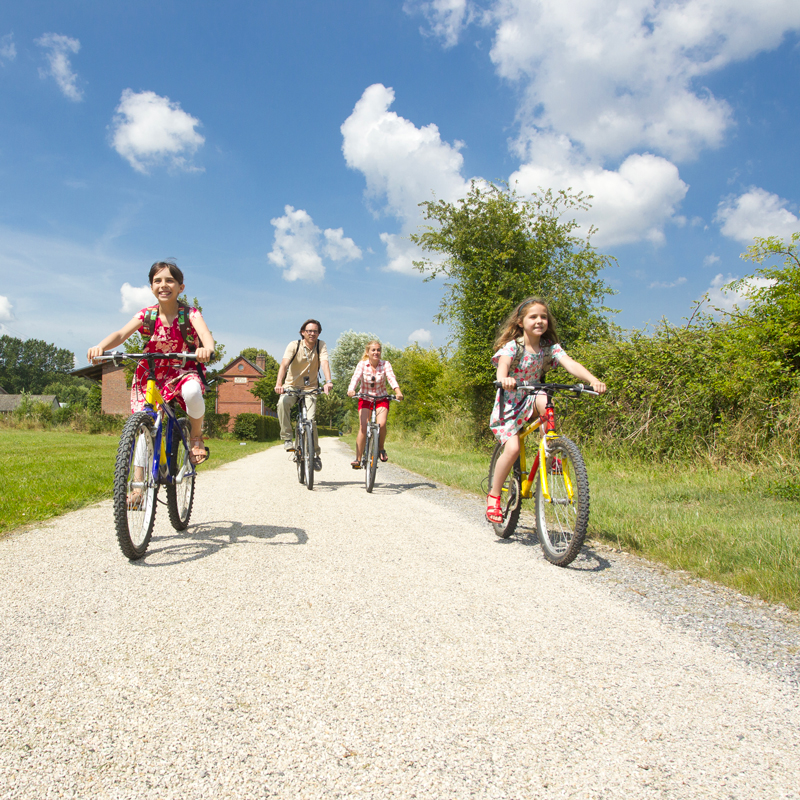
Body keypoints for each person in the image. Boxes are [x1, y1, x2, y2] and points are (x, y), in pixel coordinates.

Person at [486, 297, 606, 523]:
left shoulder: (550, 348)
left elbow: (570, 364)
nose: (539, 320)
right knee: (512, 450)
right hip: (509, 403)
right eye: (533, 317)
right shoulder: (513, 346)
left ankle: (548, 449)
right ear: (521, 322)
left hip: (532, 396)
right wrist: (505, 380)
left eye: (543, 317)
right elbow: (502, 368)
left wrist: (593, 380)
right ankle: (494, 496)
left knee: (545, 398)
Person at [87, 260, 215, 466]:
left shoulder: (190, 314)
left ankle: (196, 436)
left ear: (181, 288)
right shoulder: (147, 315)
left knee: (192, 392)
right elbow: (121, 334)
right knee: (143, 423)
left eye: (170, 281)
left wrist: (206, 349)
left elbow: (206, 336)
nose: (163, 285)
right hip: (152, 372)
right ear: (151, 287)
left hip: (183, 369)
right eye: (157, 281)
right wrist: (101, 347)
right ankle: (138, 484)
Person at [274, 319, 332, 471]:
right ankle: (287, 438)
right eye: (309, 331)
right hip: (291, 386)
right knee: (282, 403)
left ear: (318, 333)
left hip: (310, 388)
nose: (312, 333)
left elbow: (325, 363)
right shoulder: (294, 345)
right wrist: (279, 384)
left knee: (311, 422)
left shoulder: (321, 345)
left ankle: (315, 455)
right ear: (303, 332)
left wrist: (328, 381)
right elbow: (284, 364)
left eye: (315, 331)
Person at [347, 340, 403, 468]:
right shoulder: (362, 365)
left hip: (381, 398)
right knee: (363, 427)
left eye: (378, 350)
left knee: (381, 424)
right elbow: (355, 378)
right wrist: (351, 390)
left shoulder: (385, 364)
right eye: (373, 350)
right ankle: (358, 458)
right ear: (368, 352)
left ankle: (380, 448)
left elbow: (391, 378)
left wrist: (398, 392)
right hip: (365, 398)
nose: (376, 352)